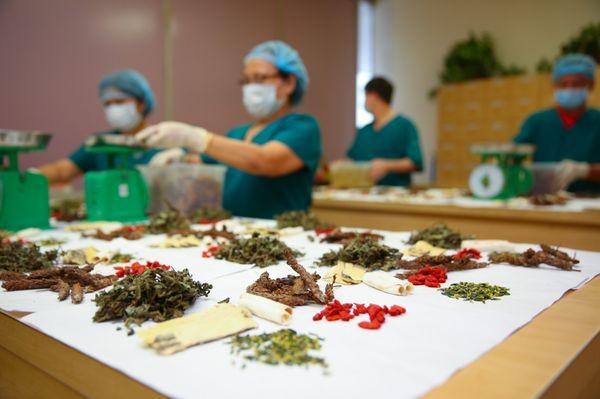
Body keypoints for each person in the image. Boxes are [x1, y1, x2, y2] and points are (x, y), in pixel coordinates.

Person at [136, 40, 322, 219]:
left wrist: (195, 137)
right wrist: (178, 157)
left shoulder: (303, 127)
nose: (251, 87)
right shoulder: (237, 134)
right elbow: (202, 160)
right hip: (236, 233)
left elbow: (265, 161)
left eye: (260, 78)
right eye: (247, 81)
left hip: (286, 235)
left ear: (289, 83)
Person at [39, 69, 175, 184]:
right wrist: (29, 177)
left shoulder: (166, 140)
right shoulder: (101, 145)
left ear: (141, 103)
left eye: (119, 101)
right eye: (108, 104)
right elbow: (62, 170)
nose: (113, 108)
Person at [514, 54, 600, 193]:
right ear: (555, 86)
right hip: (545, 201)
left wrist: (585, 171)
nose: (570, 89)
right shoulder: (537, 122)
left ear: (591, 85)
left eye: (577, 83)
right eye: (563, 84)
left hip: (591, 202)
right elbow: (511, 154)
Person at [344, 77, 423, 186]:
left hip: (394, 196)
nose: (365, 101)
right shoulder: (364, 131)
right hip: (364, 195)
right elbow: (353, 160)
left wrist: (387, 165)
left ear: (374, 96)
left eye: (366, 96)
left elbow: (415, 162)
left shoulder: (405, 126)